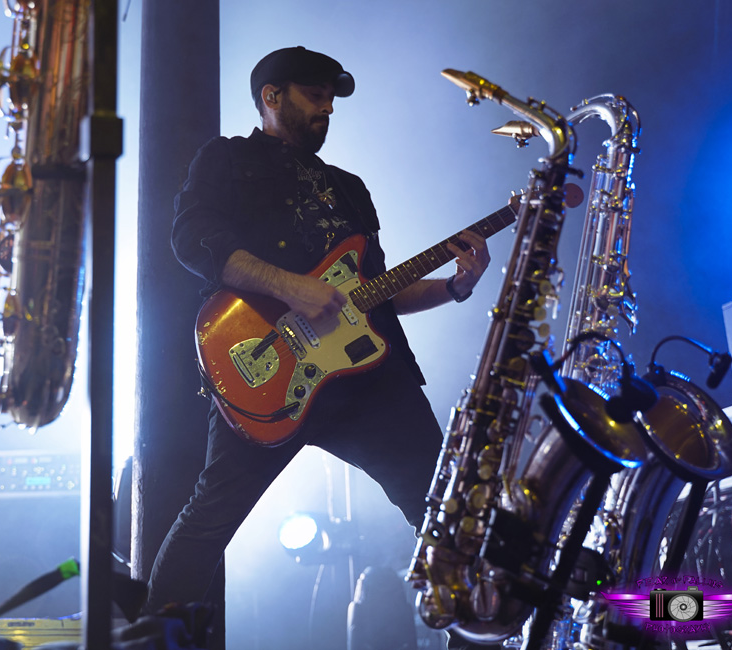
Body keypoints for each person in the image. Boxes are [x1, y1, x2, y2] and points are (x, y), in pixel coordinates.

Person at [146, 46, 491, 633]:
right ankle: (149, 642)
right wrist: (293, 288)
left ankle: (476, 639)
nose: (327, 109)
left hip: (370, 384)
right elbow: (192, 240)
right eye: (314, 95)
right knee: (209, 520)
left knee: (447, 515)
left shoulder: (349, 187)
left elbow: (374, 295)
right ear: (271, 97)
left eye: (332, 99)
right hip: (270, 368)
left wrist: (456, 288)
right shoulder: (226, 161)